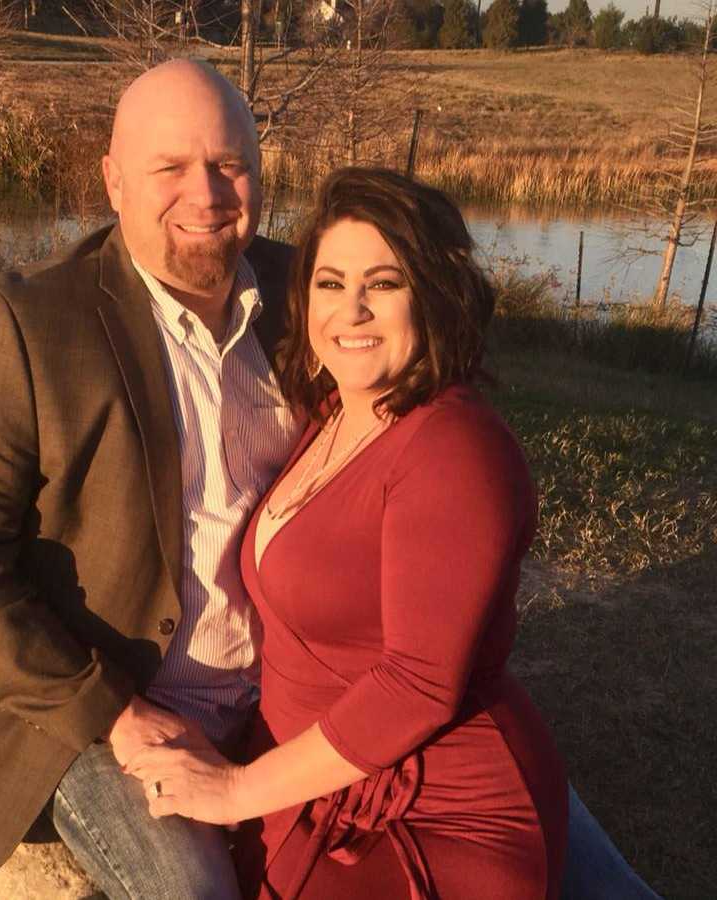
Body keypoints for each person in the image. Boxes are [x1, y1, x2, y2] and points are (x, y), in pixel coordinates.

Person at [0, 58, 661, 900]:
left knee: (572, 856)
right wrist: (114, 713)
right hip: (106, 708)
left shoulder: (309, 291)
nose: (207, 194)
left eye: (230, 165)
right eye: (170, 168)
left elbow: (422, 412)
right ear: (113, 181)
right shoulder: (26, 326)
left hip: (295, 702)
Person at [123, 167, 568, 898]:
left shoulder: (454, 449)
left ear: (434, 294)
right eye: (330, 283)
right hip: (320, 780)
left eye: (383, 284)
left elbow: (418, 685)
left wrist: (235, 791)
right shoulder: (337, 413)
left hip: (435, 817)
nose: (351, 311)